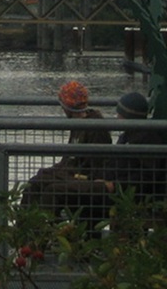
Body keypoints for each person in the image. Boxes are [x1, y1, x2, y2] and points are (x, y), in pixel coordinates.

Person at [22, 81, 112, 226]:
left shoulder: (95, 126)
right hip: (73, 175)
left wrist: (63, 174)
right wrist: (54, 171)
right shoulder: (77, 124)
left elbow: (95, 167)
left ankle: (49, 234)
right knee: (34, 183)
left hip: (88, 180)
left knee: (51, 189)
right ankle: (27, 229)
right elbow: (68, 160)